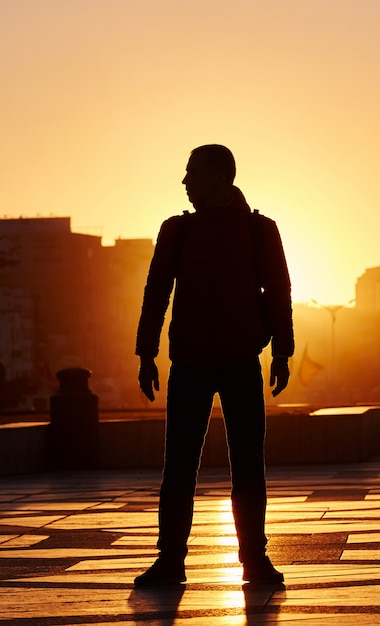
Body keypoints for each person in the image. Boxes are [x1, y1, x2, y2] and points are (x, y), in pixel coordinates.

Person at [134, 144, 294, 587]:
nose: (185, 182)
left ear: (221, 177)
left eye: (193, 173)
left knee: (247, 464)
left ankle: (255, 560)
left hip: (242, 360)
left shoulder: (260, 230)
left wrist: (283, 350)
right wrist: (146, 353)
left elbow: (278, 290)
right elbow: (156, 293)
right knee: (179, 466)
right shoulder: (175, 231)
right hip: (188, 362)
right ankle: (170, 560)